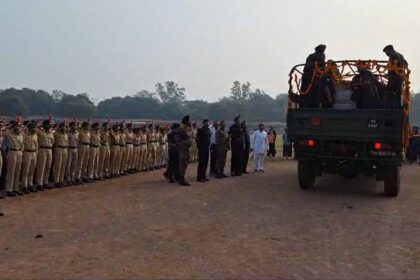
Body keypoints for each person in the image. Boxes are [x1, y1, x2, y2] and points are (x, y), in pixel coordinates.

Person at [4, 119, 24, 196]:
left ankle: (15, 188)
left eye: (19, 126)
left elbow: (22, 144)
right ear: (13, 127)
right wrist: (9, 127)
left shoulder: (21, 134)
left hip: (19, 152)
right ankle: (9, 189)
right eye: (17, 126)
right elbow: (3, 133)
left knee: (17, 171)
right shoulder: (8, 133)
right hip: (12, 152)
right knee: (11, 172)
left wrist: (21, 151)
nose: (18, 127)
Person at [36, 118, 55, 190]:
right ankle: (39, 183)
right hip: (42, 149)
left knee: (48, 167)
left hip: (49, 149)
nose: (50, 126)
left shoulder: (50, 133)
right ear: (45, 125)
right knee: (41, 167)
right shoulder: (39, 131)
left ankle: (45, 182)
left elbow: (53, 142)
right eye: (49, 125)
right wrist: (39, 125)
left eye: (50, 125)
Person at [173, 115, 192, 186]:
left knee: (185, 163)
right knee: (182, 163)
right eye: (190, 120)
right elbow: (176, 138)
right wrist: (182, 145)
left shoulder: (187, 128)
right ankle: (181, 179)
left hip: (186, 149)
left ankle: (181, 178)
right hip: (183, 149)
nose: (191, 121)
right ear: (187, 121)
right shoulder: (181, 129)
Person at [21, 121, 38, 193]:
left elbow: (36, 145)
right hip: (27, 153)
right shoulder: (24, 135)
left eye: (35, 127)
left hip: (34, 153)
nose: (35, 129)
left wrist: (36, 153)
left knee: (31, 170)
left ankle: (30, 184)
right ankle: (24, 186)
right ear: (29, 128)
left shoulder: (35, 135)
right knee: (26, 170)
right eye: (33, 128)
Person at [53, 121, 69, 188]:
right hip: (58, 149)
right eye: (63, 127)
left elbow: (67, 142)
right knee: (58, 166)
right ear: (60, 127)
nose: (64, 128)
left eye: (65, 127)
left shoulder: (66, 134)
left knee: (63, 166)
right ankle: (56, 181)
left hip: (65, 149)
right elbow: (53, 142)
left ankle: (61, 180)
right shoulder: (56, 134)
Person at [66, 121, 79, 185]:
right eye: (73, 125)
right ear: (70, 126)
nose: (75, 127)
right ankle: (68, 179)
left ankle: (72, 178)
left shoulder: (77, 133)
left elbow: (78, 141)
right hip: (69, 149)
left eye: (75, 125)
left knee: (74, 164)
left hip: (75, 149)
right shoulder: (68, 133)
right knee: (68, 164)